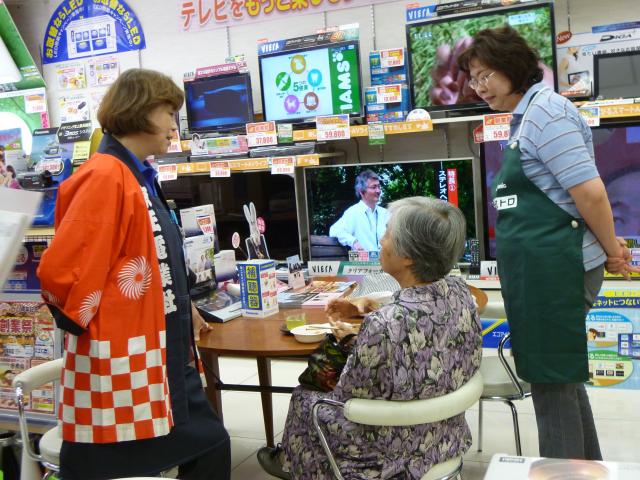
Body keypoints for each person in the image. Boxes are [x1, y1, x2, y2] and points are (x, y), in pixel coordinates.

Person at [37, 69, 230, 480]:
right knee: (204, 444)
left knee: (203, 442)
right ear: (139, 110)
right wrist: (90, 318)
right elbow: (64, 270)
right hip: (126, 352)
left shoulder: (135, 174)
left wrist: (185, 308)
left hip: (155, 345)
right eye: (169, 113)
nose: (175, 127)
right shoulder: (104, 175)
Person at [457, 26, 640, 460]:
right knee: (560, 378)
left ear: (514, 68)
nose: (479, 87)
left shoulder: (547, 113)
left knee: (551, 383)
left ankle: (563, 471)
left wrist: (613, 251)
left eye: (486, 76)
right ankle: (588, 468)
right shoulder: (527, 116)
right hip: (541, 270)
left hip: (557, 269)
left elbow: (590, 193)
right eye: (474, 79)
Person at [258, 196, 482, 479]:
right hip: (447, 436)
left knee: (305, 397)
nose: (381, 240)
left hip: (391, 455)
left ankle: (292, 462)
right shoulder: (460, 292)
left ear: (408, 256)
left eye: (387, 233)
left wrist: (347, 342)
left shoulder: (384, 325)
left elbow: (348, 397)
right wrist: (360, 327)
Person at [329, 170, 390, 251]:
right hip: (362, 259)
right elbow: (335, 230)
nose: (378, 191)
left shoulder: (385, 213)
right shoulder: (353, 212)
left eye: (379, 187)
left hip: (384, 259)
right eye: (374, 187)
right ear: (361, 192)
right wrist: (354, 242)